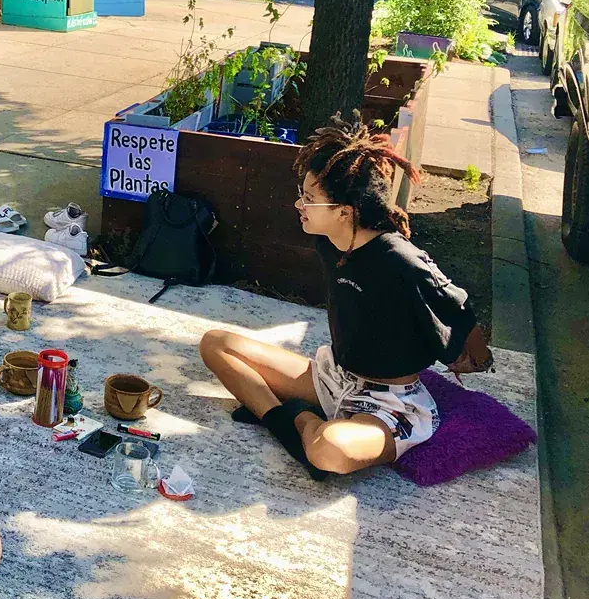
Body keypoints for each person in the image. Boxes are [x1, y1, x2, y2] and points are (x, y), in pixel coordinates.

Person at [199, 115, 493, 480]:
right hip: (335, 378)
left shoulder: (401, 260)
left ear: (344, 211)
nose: (299, 205)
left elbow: (459, 307)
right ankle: (294, 421)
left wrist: (479, 359)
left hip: (390, 402)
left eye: (309, 199)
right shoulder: (330, 242)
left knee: (329, 451)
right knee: (215, 344)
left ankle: (297, 421)